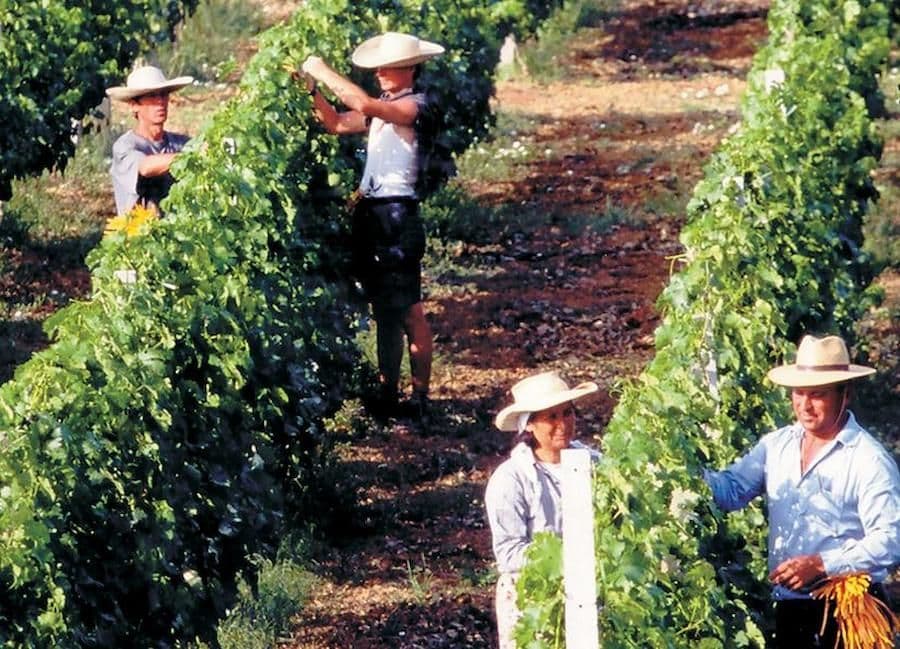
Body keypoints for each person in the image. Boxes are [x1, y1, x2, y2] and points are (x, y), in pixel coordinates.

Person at [704, 334, 900, 648]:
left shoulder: (868, 460)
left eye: (818, 395)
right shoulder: (777, 445)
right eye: (799, 393)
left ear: (845, 394)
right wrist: (684, 471)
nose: (805, 406)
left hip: (848, 614)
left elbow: (890, 541)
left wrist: (823, 564)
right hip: (791, 611)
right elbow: (731, 491)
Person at [299, 32, 444, 423]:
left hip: (397, 216)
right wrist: (312, 90)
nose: (379, 72)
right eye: (377, 66)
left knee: (410, 309)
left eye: (388, 66)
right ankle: (388, 394)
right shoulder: (384, 108)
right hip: (374, 214)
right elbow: (334, 122)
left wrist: (321, 69)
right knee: (385, 310)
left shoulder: (416, 106)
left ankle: (421, 399)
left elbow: (360, 103)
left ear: (410, 69)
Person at [484, 370, 600, 649]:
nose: (563, 424)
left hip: (590, 591)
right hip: (533, 598)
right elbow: (509, 553)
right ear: (530, 425)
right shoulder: (511, 479)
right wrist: (567, 559)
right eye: (551, 417)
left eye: (568, 413)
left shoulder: (594, 463)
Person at [106, 65, 193, 215]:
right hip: (139, 234)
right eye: (152, 96)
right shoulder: (125, 146)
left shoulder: (182, 143)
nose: (160, 102)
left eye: (163, 95)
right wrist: (192, 156)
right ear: (134, 106)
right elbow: (146, 167)